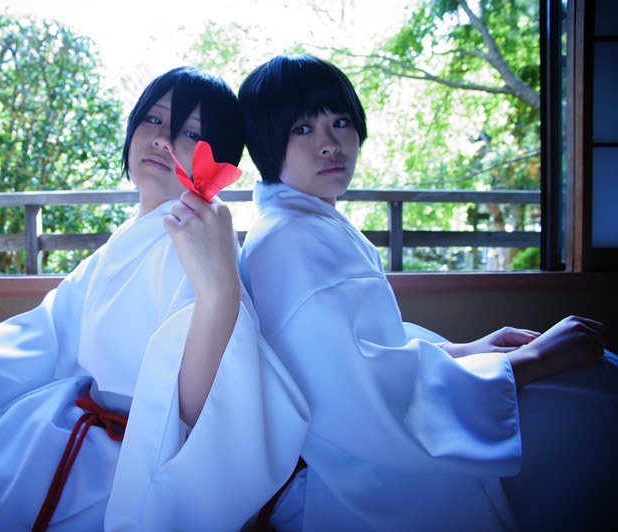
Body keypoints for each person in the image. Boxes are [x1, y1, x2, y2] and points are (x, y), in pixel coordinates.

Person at [0, 67, 309, 532]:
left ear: (215, 159)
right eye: (154, 119)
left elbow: (201, 402)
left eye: (188, 132)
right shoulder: (133, 236)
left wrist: (219, 289)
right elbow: (53, 324)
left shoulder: (199, 241)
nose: (163, 138)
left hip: (120, 456)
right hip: (72, 416)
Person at [238, 54, 618, 531]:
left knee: (593, 383)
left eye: (340, 122)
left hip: (362, 438)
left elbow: (375, 347)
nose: (330, 143)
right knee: (594, 407)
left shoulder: (304, 220)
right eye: (302, 129)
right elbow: (358, 396)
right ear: (266, 142)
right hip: (338, 472)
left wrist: (468, 350)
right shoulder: (287, 239)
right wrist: (531, 361)